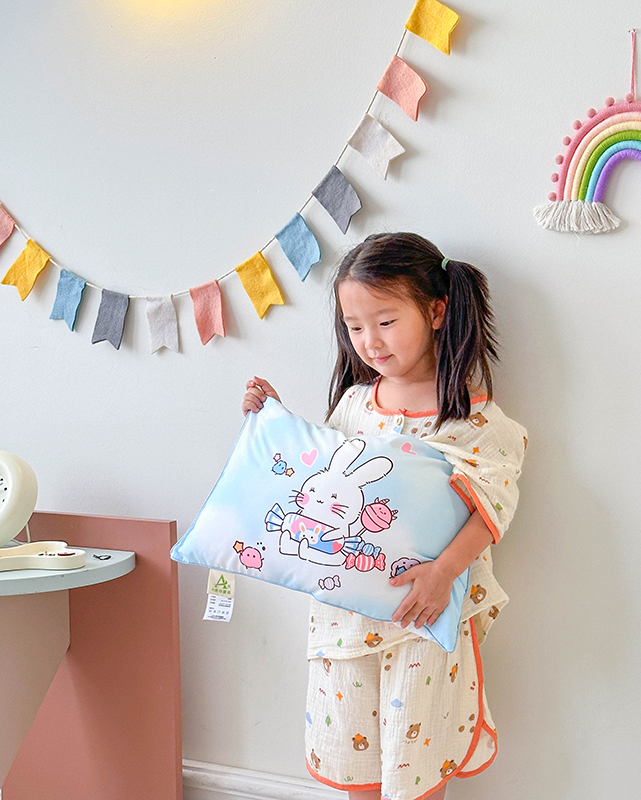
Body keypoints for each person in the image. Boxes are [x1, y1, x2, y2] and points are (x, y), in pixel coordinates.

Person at [242, 232, 527, 800]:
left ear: (437, 312)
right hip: (346, 622)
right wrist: (273, 419)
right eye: (354, 327)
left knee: (414, 768)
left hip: (421, 619)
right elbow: (320, 475)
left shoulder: (471, 416)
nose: (369, 341)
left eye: (386, 321)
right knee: (358, 765)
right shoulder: (354, 404)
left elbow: (492, 502)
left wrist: (444, 571)